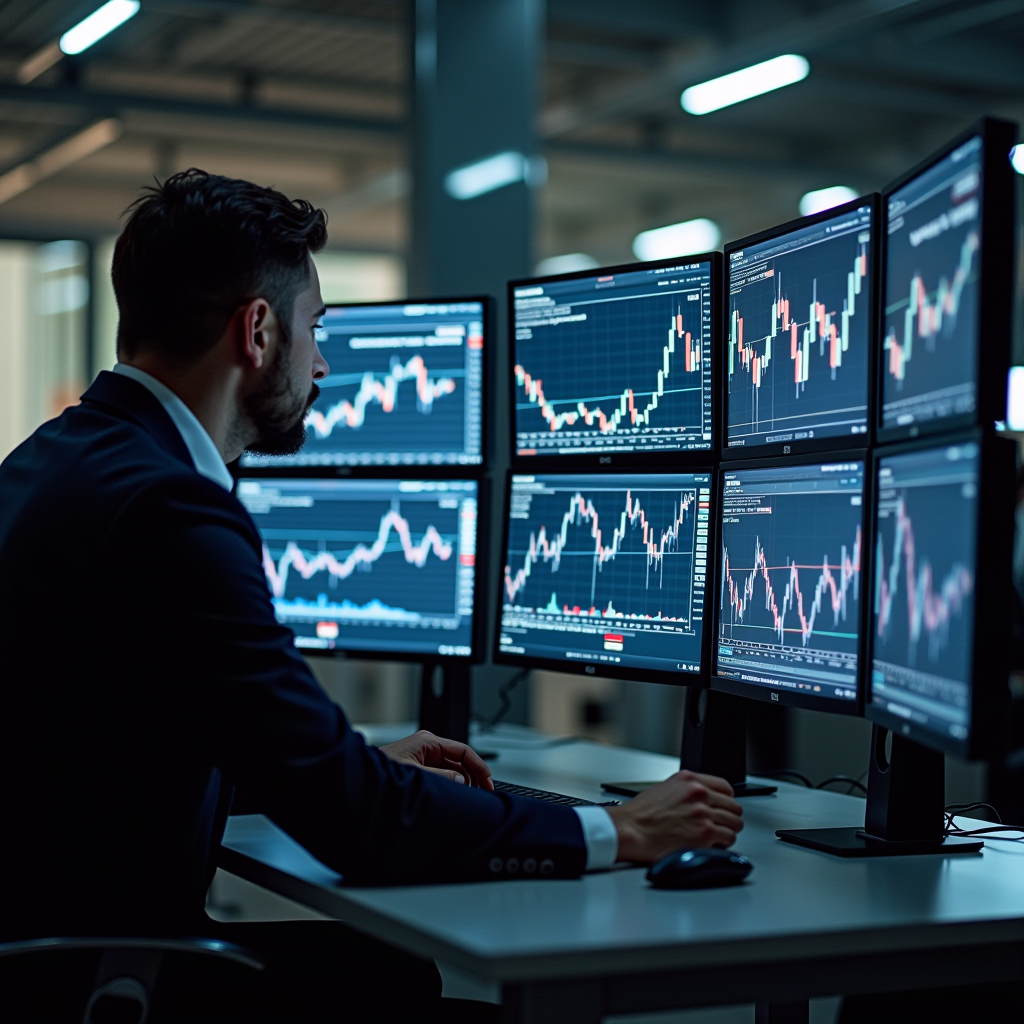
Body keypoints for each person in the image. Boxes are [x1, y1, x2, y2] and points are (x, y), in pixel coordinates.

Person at [0, 170, 743, 1022]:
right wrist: (622, 831)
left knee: (384, 972)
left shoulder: (51, 460)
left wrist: (352, 767)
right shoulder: (173, 508)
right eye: (316, 329)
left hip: (40, 953)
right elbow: (355, 827)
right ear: (258, 329)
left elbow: (109, 751)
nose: (320, 364)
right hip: (87, 982)